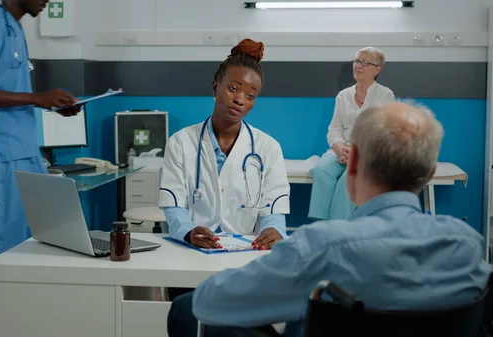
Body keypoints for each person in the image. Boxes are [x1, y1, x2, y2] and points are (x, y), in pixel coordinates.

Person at [167, 101, 492, 337]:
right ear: (430, 175)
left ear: (352, 167)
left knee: (187, 307)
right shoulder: (467, 245)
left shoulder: (322, 246)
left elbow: (209, 302)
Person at [0, 0, 82, 323]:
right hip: (1, 153)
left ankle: (6, 308)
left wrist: (48, 105)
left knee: (26, 238)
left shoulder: (14, 29)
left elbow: (9, 93)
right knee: (4, 243)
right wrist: (36, 98)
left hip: (23, 150)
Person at [158, 39, 290, 300]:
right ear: (215, 86)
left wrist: (274, 231)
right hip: (190, 255)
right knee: (187, 313)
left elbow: (273, 210)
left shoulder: (268, 148)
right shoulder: (181, 142)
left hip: (245, 260)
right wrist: (188, 231)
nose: (240, 99)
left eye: (250, 95)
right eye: (233, 88)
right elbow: (173, 206)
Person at [308, 47, 395, 220]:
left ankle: (337, 230)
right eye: (356, 61)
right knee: (321, 170)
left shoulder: (385, 95)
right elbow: (334, 130)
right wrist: (340, 148)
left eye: (365, 62)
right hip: (342, 150)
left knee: (348, 179)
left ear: (377, 69)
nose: (358, 66)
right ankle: (319, 225)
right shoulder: (344, 95)